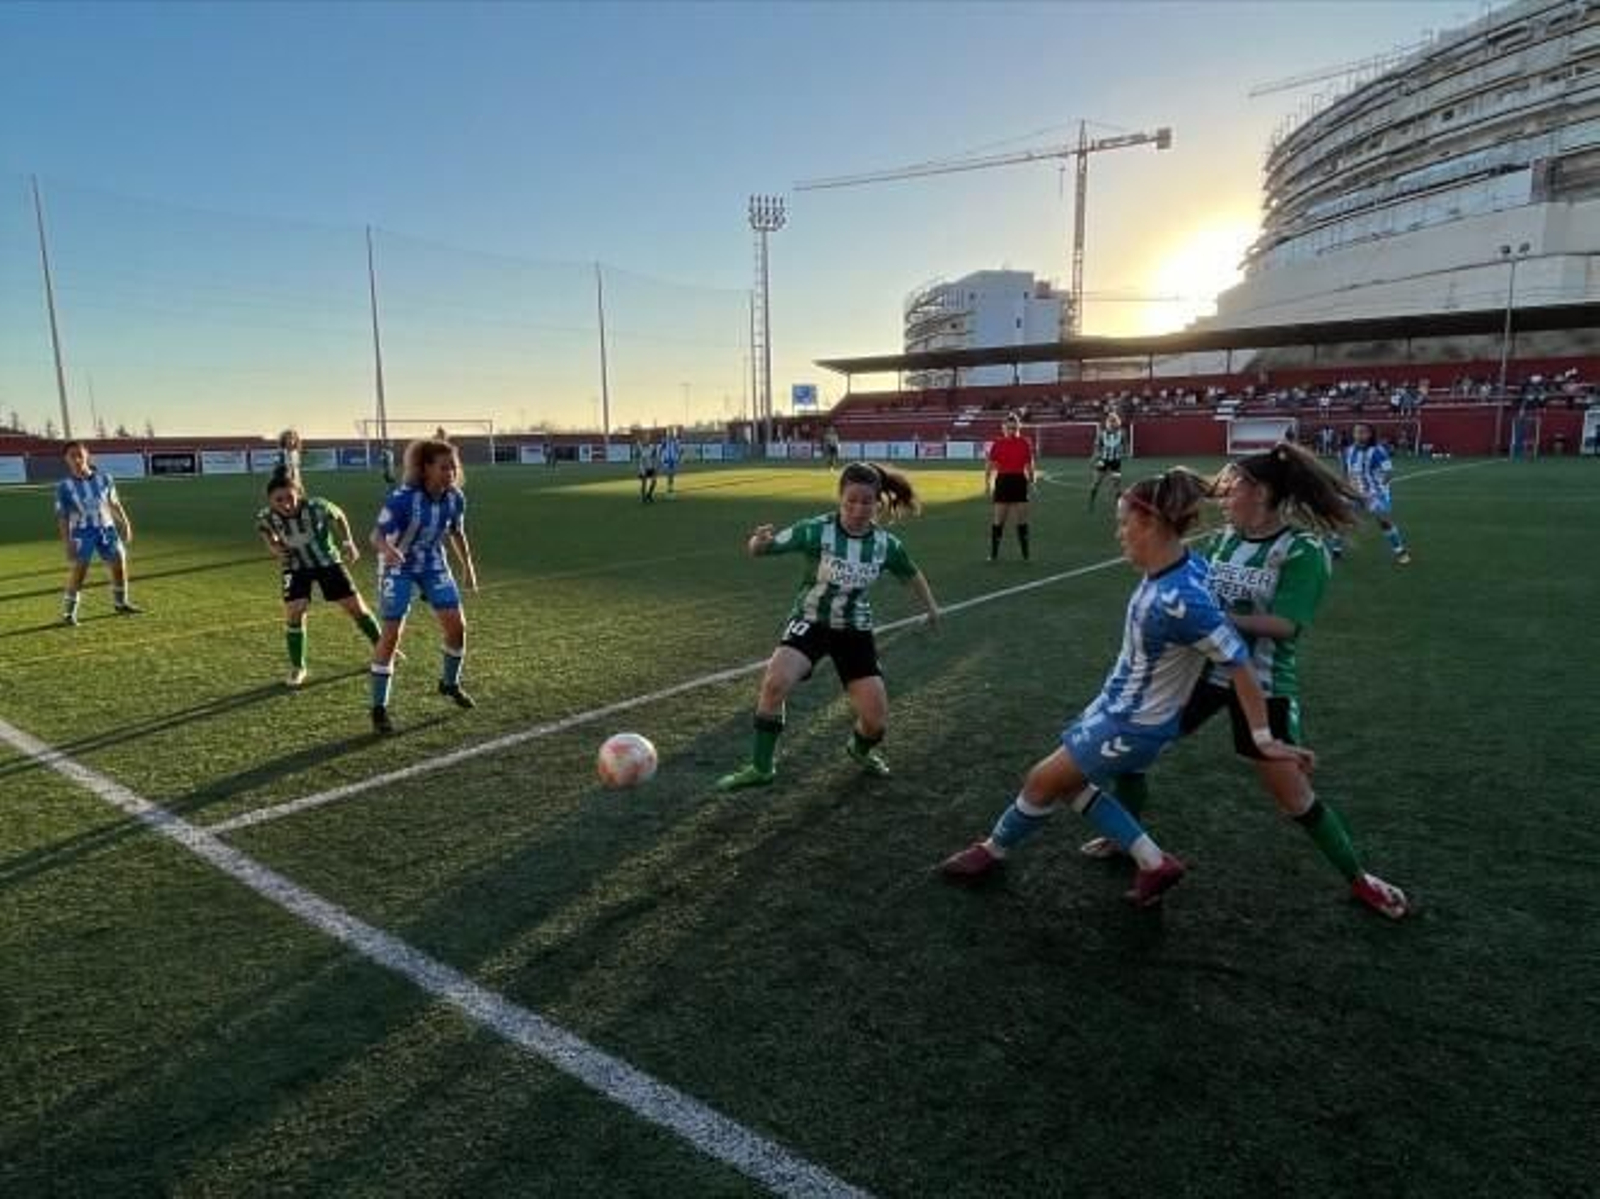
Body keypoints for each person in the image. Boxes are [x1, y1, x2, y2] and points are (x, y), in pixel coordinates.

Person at [939, 469, 1313, 907]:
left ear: (1152, 524)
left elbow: (1240, 664)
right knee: (1066, 783)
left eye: (1124, 522)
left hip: (1133, 723)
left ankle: (993, 851)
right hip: (1119, 706)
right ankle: (1151, 863)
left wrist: (1265, 739)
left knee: (1041, 780)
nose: (1119, 533)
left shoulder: (1179, 600)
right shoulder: (1188, 566)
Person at [1080, 446, 1410, 919]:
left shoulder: (1302, 550)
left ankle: (1361, 879)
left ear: (1262, 493)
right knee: (1134, 749)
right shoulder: (1227, 540)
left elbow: (1286, 625)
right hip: (1202, 673)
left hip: (1263, 680)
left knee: (1293, 797)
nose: (1226, 494)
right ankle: (1124, 838)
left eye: (1235, 485)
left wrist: (1216, 623)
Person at [716, 461, 941, 790]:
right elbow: (764, 548)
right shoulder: (816, 529)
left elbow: (911, 573)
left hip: (854, 632)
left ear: (878, 503)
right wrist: (757, 542)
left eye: (866, 502)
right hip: (810, 621)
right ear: (840, 499)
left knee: (876, 723)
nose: (858, 509)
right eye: (851, 501)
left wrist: (932, 608)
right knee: (775, 683)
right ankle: (761, 767)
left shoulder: (885, 545)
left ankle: (859, 749)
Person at [368, 439, 480, 734]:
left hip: (432, 565)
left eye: (453, 467)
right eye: (443, 467)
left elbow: (457, 532)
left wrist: (468, 567)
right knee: (392, 636)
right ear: (425, 468)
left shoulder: (455, 498)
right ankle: (379, 709)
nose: (450, 473)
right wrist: (387, 551)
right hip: (398, 567)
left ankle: (449, 683)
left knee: (457, 628)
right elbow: (375, 536)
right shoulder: (403, 499)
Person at [256, 466, 383, 688]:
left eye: (290, 498)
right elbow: (264, 529)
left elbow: (340, 516)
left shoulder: (317, 506)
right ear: (270, 501)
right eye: (278, 500)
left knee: (356, 609)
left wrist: (348, 542)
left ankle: (384, 650)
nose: (286, 504)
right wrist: (274, 547)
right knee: (295, 612)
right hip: (295, 567)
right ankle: (298, 667)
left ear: (299, 494)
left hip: (328, 564)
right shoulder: (267, 516)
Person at [55, 441, 143, 625]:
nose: (77, 459)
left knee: (119, 566)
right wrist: (68, 542)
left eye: (80, 454)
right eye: (72, 456)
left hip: (107, 528)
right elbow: (63, 517)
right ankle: (69, 615)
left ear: (87, 455)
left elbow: (114, 503)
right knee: (79, 572)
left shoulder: (105, 478)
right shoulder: (64, 487)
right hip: (82, 532)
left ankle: (120, 603)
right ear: (67, 460)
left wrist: (126, 524)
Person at [1331, 423, 1410, 564]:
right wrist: (1343, 488)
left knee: (1384, 521)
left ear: (1370, 434)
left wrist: (1376, 490)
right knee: (1341, 519)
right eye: (1356, 432)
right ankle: (1335, 551)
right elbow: (1344, 471)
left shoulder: (1378, 451)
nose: (1359, 435)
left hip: (1374, 494)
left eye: (1363, 432)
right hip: (1353, 492)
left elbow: (1389, 473)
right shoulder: (1347, 451)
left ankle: (1400, 551)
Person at [984, 412, 1035, 561]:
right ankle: (993, 554)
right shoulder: (997, 444)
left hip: (1019, 481)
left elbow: (1029, 465)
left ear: (1018, 427)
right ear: (1003, 428)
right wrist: (987, 483)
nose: (1011, 430)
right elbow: (990, 466)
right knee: (999, 520)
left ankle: (1025, 554)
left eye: (1014, 428)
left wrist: (1032, 481)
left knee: (1022, 520)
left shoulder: (1024, 442)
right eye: (1008, 427)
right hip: (1003, 482)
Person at [1088, 412, 1127, 511]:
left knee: (1117, 484)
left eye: (1114, 421)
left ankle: (1118, 506)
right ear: (1107, 423)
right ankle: (1091, 501)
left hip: (1116, 462)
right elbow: (1097, 447)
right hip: (1103, 461)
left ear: (1117, 422)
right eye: (1110, 421)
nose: (1112, 423)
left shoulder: (1122, 433)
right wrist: (1094, 458)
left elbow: (1125, 445)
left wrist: (1124, 453)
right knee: (1096, 482)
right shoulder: (1102, 434)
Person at [638, 436, 660, 504]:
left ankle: (649, 495)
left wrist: (655, 466)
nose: (646, 442)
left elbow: (654, 456)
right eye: (645, 440)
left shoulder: (651, 448)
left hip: (650, 467)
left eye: (647, 440)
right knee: (644, 483)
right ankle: (643, 497)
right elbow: (641, 458)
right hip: (643, 468)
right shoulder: (641, 448)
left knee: (654, 481)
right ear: (643, 441)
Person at [661, 428, 682, 495]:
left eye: (672, 432)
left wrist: (679, 456)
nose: (671, 434)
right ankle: (669, 488)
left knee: (671, 475)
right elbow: (662, 449)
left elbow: (678, 450)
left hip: (673, 460)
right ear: (668, 433)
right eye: (670, 432)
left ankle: (671, 488)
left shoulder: (675, 441)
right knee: (669, 475)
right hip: (667, 460)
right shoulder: (665, 441)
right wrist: (662, 458)